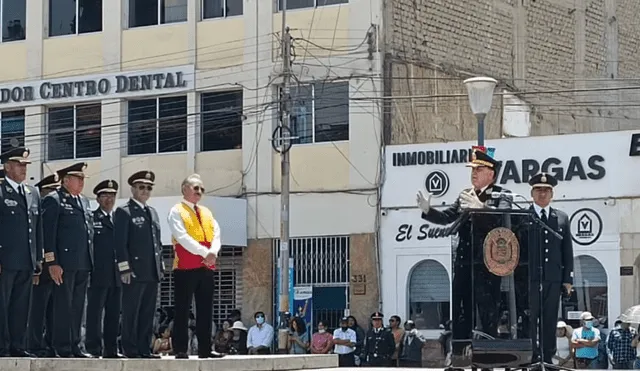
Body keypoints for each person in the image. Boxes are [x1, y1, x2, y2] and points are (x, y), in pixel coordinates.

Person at [416, 148, 512, 342]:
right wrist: (428, 211)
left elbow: (504, 219)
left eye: (479, 170)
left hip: (488, 262)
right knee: (461, 307)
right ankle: (461, 349)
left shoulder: (503, 194)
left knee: (487, 308)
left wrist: (482, 208)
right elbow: (447, 218)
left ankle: (486, 351)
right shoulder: (465, 195)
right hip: (464, 260)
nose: (473, 174)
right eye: (472, 170)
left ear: (491, 174)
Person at [166, 174, 222, 359]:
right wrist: (206, 253)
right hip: (185, 267)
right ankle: (180, 349)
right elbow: (182, 237)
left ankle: (205, 349)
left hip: (206, 267)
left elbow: (216, 234)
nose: (199, 192)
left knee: (206, 309)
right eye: (195, 188)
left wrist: (213, 251)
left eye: (201, 189)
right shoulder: (176, 210)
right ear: (184, 189)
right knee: (182, 309)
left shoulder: (206, 212)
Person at [42, 162, 94, 358]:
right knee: (62, 306)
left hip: (82, 262)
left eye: (82, 179)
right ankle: (61, 346)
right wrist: (52, 262)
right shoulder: (54, 200)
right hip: (63, 264)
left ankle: (74, 345)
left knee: (78, 306)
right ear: (65, 180)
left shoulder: (84, 201)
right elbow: (49, 234)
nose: (81, 182)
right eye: (77, 178)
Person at [114, 170, 164, 359]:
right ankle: (130, 348)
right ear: (133, 189)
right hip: (134, 272)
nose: (145, 191)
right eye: (141, 187)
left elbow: (156, 242)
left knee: (147, 313)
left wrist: (160, 266)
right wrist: (124, 268)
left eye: (149, 188)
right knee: (131, 312)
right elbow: (120, 243)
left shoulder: (152, 212)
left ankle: (144, 348)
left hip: (151, 272)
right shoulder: (124, 211)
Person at [526, 172, 574, 363]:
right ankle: (531, 358)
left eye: (546, 190)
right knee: (529, 321)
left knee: (549, 320)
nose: (542, 194)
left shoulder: (561, 218)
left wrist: (567, 279)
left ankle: (547, 358)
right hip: (529, 279)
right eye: (538, 190)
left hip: (553, 280)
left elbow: (567, 251)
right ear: (532, 193)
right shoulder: (523, 216)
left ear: (552, 194)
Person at [0, 147, 42, 357]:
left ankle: (18, 345)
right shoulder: (0, 190)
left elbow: (37, 227)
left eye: (25, 165)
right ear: (7, 167)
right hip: (5, 259)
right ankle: (2, 346)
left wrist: (38, 258)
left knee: (21, 305)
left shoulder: (32, 192)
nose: (23, 168)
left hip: (26, 259)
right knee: (3, 304)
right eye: (19, 164)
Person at [85, 179, 123, 358]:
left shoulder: (120, 219)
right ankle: (93, 348)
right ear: (98, 199)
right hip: (98, 274)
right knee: (95, 314)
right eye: (105, 196)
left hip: (117, 275)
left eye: (112, 196)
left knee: (114, 315)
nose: (109, 199)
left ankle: (111, 349)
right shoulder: (92, 218)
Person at [28, 173, 61, 357]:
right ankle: (34, 344)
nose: (53, 195)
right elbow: (42, 238)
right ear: (41, 192)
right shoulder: (43, 207)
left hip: (53, 271)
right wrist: (38, 267)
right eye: (50, 190)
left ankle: (49, 344)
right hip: (40, 269)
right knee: (36, 311)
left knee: (52, 312)